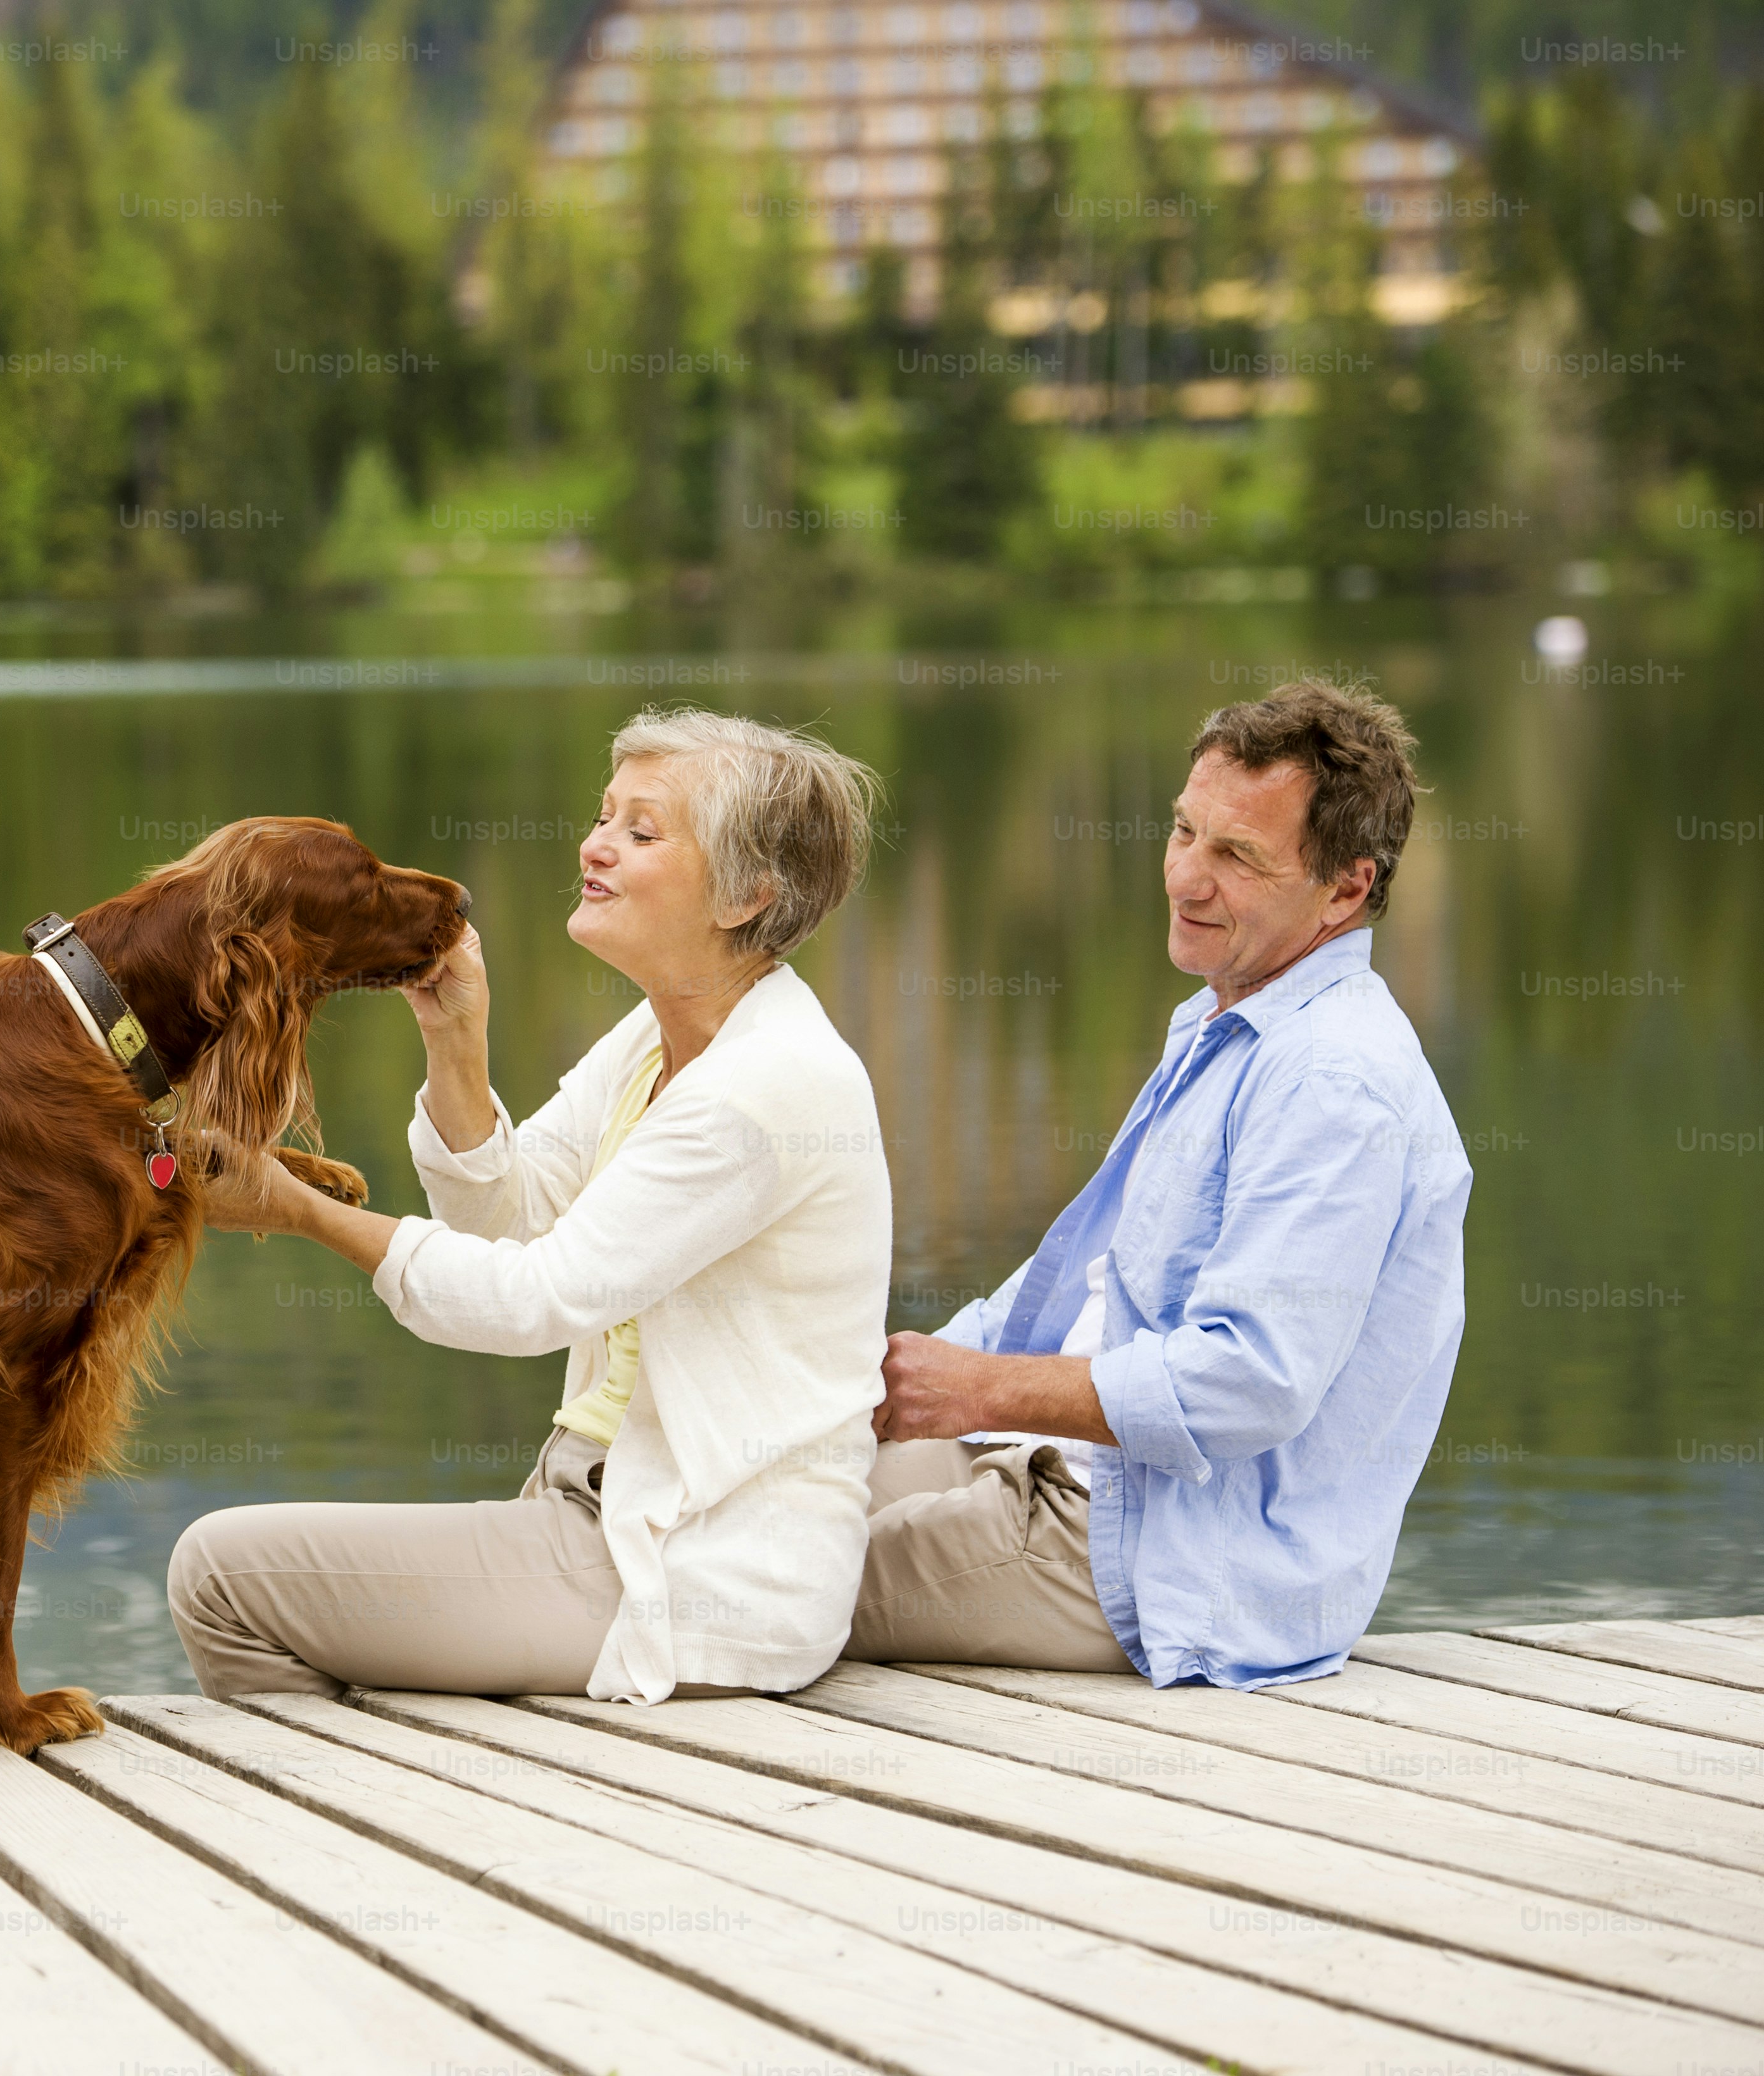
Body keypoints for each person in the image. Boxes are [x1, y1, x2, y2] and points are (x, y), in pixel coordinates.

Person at [174, 708, 892, 1703]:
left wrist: (298, 1209)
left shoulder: (763, 1086)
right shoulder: (661, 1036)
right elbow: (515, 1222)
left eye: (642, 833)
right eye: (604, 818)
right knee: (258, 1587)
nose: (595, 848)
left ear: (747, 895)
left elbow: (530, 1300)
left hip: (693, 1577)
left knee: (222, 1577)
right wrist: (456, 1046)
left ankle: (339, 1823)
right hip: (597, 1513)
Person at [853, 680, 1470, 1687]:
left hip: (1167, 1567)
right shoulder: (1224, 1019)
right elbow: (1094, 1287)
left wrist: (974, 1390)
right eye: (1185, 831)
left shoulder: (1334, 1080)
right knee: (742, 1497)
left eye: (1238, 857)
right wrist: (903, 1373)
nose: (1187, 876)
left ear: (1346, 891)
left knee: (743, 1583)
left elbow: (1248, 1380)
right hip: (1059, 1473)